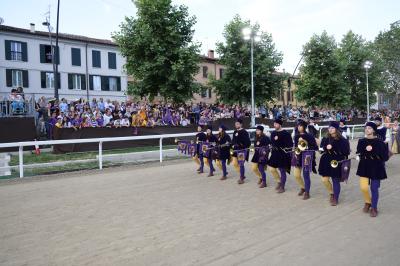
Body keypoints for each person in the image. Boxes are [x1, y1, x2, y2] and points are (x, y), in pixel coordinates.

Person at [357, 121, 389, 217]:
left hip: (376, 167)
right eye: (366, 128)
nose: (367, 129)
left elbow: (385, 157)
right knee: (363, 187)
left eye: (369, 128)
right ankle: (368, 202)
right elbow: (359, 152)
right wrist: (358, 156)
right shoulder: (361, 141)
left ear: (374, 130)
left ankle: (374, 207)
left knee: (374, 188)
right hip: (364, 166)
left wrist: (379, 157)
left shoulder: (380, 142)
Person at [318, 121, 350, 206]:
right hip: (326, 160)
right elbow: (321, 149)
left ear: (336, 129)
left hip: (336, 161)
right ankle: (331, 193)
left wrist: (334, 148)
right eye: (329, 128)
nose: (330, 129)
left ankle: (336, 198)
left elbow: (346, 152)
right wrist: (325, 147)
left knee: (335, 180)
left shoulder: (342, 140)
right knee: (324, 180)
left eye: (332, 128)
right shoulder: (325, 138)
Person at [293, 119, 318, 200]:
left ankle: (307, 192)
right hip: (298, 157)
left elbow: (315, 147)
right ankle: (303, 187)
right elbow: (296, 147)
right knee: (296, 175)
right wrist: (295, 153)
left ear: (304, 127)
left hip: (307, 156)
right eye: (298, 125)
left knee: (306, 175)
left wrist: (305, 144)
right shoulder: (296, 136)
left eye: (300, 126)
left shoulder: (309, 136)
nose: (298, 127)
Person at [268, 118, 293, 193]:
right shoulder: (273, 133)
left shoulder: (286, 133)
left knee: (282, 170)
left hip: (283, 154)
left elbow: (290, 145)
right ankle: (279, 181)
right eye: (274, 124)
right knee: (272, 169)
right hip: (274, 154)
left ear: (280, 124)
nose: (274, 125)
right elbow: (272, 142)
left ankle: (282, 186)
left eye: (276, 124)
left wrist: (285, 150)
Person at [231, 119, 251, 184]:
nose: (236, 125)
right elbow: (233, 140)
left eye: (237, 124)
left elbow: (248, 142)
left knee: (241, 164)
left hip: (242, 151)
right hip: (235, 150)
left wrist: (241, 145)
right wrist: (233, 145)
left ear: (241, 124)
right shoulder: (235, 132)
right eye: (235, 124)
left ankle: (241, 178)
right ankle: (242, 175)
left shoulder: (244, 132)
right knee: (234, 163)